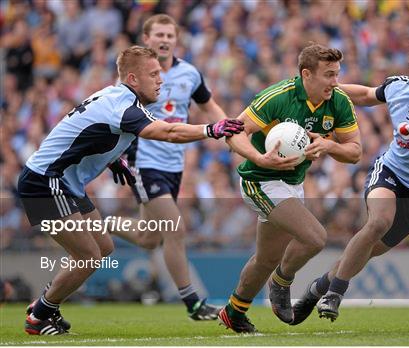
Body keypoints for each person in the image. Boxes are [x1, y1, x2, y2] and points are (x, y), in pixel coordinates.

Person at [18, 46, 243, 335]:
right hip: (45, 182)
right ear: (133, 79)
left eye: (160, 73)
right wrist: (211, 130)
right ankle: (39, 317)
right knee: (88, 256)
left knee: (104, 248)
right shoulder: (123, 106)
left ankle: (46, 304)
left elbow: (88, 131)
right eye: (153, 74)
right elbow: (169, 132)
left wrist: (114, 159)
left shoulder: (115, 95)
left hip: (65, 182)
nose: (160, 80)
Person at [291, 32, 409, 324]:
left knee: (368, 250)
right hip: (390, 172)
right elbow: (364, 95)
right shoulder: (398, 86)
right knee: (377, 222)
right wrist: (325, 85)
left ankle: (318, 287)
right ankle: (335, 294)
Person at [218, 43, 362, 333]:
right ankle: (281, 283)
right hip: (259, 180)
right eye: (329, 75)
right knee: (315, 237)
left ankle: (234, 311)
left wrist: (330, 145)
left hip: (293, 183)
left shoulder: (338, 101)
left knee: (267, 258)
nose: (335, 82)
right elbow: (234, 134)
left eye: (337, 74)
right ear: (306, 74)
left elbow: (355, 151)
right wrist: (260, 157)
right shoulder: (278, 97)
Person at [109, 14, 226, 321]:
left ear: (177, 39)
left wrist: (230, 127)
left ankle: (101, 223)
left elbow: (209, 106)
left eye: (169, 35)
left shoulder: (189, 73)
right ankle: (193, 304)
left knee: (150, 237)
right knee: (175, 229)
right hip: (143, 161)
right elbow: (111, 113)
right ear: (146, 40)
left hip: (175, 165)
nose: (164, 40)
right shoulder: (132, 77)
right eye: (158, 35)